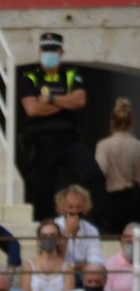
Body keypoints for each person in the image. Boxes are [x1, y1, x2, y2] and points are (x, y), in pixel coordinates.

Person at [19, 32, 104, 221]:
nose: (49, 53)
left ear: (61, 51)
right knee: (41, 187)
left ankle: (96, 221)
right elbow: (32, 109)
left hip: (69, 139)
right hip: (42, 142)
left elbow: (80, 100)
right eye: (46, 49)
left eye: (54, 49)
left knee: (93, 174)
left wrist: (50, 99)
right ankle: (45, 225)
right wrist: (65, 103)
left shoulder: (70, 74)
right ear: (40, 51)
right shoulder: (30, 77)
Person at [95, 98, 140, 235]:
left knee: (112, 240)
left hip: (111, 200)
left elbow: (99, 172)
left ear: (111, 122)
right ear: (131, 122)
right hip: (133, 200)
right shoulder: (137, 145)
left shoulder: (103, 145)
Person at [19, 219, 74, 291]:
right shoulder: (28, 265)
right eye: (44, 236)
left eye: (52, 235)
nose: (48, 238)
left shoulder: (68, 268)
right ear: (38, 240)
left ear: (59, 239)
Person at [54, 184, 104, 269]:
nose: (74, 211)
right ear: (62, 207)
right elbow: (55, 259)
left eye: (78, 207)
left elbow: (95, 259)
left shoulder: (91, 230)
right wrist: (67, 232)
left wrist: (76, 266)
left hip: (83, 275)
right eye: (70, 207)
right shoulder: (54, 226)